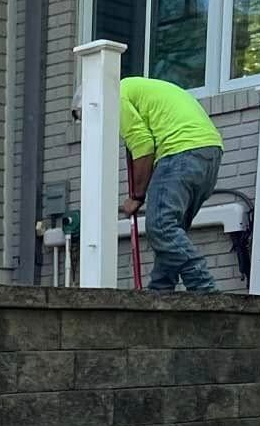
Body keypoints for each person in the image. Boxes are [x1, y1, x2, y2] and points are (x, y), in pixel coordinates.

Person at [73, 75, 224, 293]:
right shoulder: (132, 89)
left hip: (180, 151)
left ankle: (204, 288)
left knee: (161, 227)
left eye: (86, 117)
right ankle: (160, 291)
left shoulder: (114, 97)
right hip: (209, 154)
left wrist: (136, 196)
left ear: (91, 103)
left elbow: (143, 145)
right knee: (171, 231)